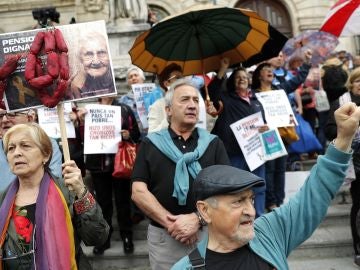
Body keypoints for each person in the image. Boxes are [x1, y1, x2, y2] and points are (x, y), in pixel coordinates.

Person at [172, 101, 360, 270]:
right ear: (205, 211)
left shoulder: (268, 232)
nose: (251, 211)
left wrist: (344, 137)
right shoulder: (186, 268)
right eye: (238, 202)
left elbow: (312, 197)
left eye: (251, 199)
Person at [131, 78, 230, 270]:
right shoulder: (151, 144)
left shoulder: (213, 143)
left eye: (195, 100)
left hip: (207, 234)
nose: (192, 105)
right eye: (184, 100)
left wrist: (196, 219)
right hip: (166, 238)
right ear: (168, 110)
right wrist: (173, 224)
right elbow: (138, 191)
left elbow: (226, 190)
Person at [0, 122, 109, 269]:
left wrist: (81, 191)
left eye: (25, 146)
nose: (17, 152)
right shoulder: (2, 199)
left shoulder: (67, 191)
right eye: (11, 148)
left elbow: (97, 236)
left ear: (46, 154)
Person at [79, 96, 140, 255]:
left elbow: (137, 134)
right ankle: (104, 239)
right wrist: (80, 121)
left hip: (119, 164)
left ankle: (127, 236)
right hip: (98, 166)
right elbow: (81, 137)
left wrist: (128, 135)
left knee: (123, 203)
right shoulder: (88, 110)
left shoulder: (124, 109)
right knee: (103, 204)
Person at [206, 58, 268, 217]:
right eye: (238, 77)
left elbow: (263, 121)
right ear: (233, 81)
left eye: (245, 77)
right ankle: (238, 218)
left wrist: (265, 127)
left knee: (259, 186)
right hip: (234, 151)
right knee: (236, 187)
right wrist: (223, 68)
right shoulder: (226, 98)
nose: (242, 79)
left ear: (249, 80)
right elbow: (213, 90)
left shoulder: (256, 100)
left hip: (256, 151)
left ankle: (258, 217)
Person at [251, 54, 311, 211]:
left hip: (283, 134)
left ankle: (279, 200)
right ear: (259, 75)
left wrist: (307, 63)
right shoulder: (253, 94)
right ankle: (270, 202)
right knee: (270, 169)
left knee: (280, 169)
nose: (270, 71)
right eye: (266, 69)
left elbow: (297, 81)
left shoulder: (280, 89)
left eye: (271, 69)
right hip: (268, 135)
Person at [325, 67, 360, 266]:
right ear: (351, 83)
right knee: (359, 204)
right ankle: (358, 247)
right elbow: (329, 130)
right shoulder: (341, 103)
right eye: (357, 81)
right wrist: (349, 130)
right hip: (355, 163)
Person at [0, 108, 62, 192]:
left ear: (29, 118)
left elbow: (55, 186)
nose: (4, 120)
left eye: (12, 114)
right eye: (11, 148)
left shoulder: (48, 143)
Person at [68, 32, 115, 99]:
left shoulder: (114, 83)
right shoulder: (75, 88)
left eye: (101, 52)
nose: (96, 61)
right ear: (80, 58)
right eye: (89, 54)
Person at [147, 63, 183, 133]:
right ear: (166, 83)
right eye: (178, 78)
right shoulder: (157, 105)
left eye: (183, 78)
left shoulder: (189, 103)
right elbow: (151, 134)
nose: (182, 81)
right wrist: (168, 119)